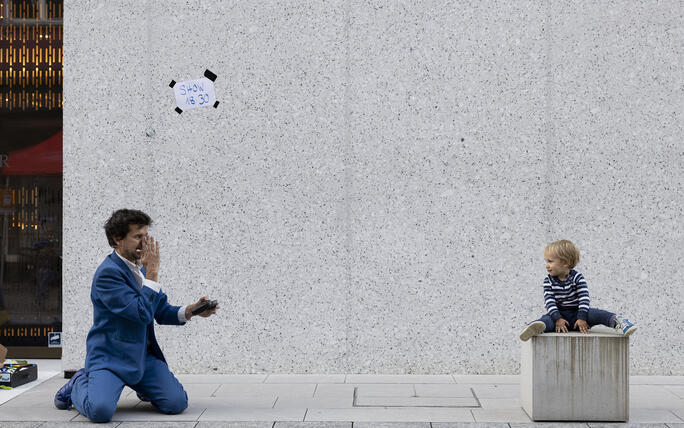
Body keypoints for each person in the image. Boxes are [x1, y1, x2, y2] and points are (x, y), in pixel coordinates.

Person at [54, 209, 219, 422]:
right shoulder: (108, 274)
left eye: (146, 235)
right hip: (110, 359)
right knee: (100, 412)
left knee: (177, 403)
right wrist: (153, 273)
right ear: (117, 239)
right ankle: (78, 382)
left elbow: (159, 310)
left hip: (142, 357)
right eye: (137, 236)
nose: (145, 242)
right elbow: (141, 314)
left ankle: (143, 386)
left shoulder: (141, 271)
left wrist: (191, 311)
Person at [520, 239, 636, 341]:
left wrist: (582, 317)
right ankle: (534, 328)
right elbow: (549, 301)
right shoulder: (548, 280)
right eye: (546, 261)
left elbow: (584, 298)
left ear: (565, 263)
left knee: (597, 314)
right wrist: (558, 318)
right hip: (559, 316)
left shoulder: (577, 277)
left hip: (578, 314)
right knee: (546, 320)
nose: (547, 265)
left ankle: (619, 322)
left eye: (550, 261)